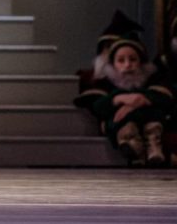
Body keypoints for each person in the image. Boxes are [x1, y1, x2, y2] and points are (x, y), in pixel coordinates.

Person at [74, 32, 173, 167]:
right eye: (121, 60)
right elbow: (97, 106)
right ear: (113, 64)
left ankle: (152, 146)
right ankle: (131, 145)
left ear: (141, 62)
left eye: (133, 59)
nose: (127, 65)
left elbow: (164, 98)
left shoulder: (152, 80)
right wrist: (119, 98)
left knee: (155, 115)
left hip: (148, 120)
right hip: (121, 123)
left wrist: (139, 100)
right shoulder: (105, 83)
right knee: (118, 120)